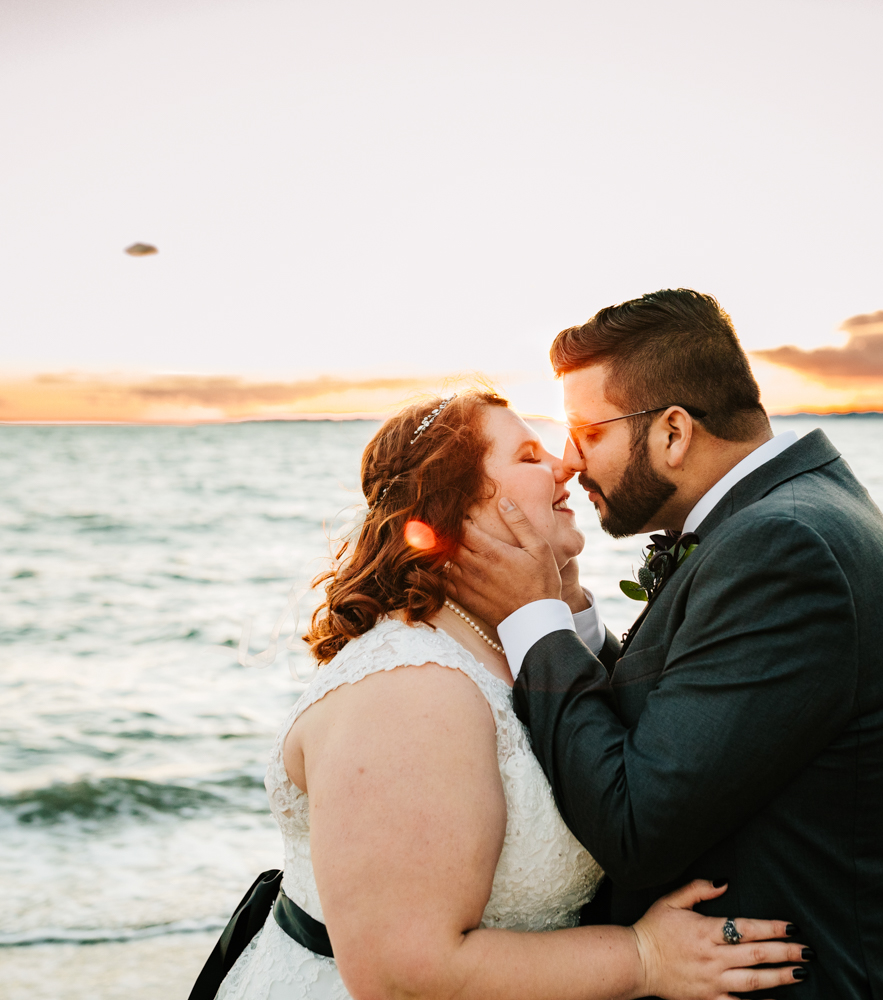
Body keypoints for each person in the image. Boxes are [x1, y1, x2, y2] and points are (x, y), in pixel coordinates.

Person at [449, 290, 883, 999]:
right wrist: (570, 615)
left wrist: (532, 616)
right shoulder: (781, 519)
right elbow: (681, 720)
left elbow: (637, 824)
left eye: (588, 433)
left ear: (673, 432)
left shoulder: (785, 546)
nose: (570, 461)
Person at [213, 389, 809, 1000]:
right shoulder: (410, 689)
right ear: (457, 509)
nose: (565, 466)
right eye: (529, 456)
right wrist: (645, 957)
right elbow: (402, 974)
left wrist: (560, 603)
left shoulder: (506, 644)